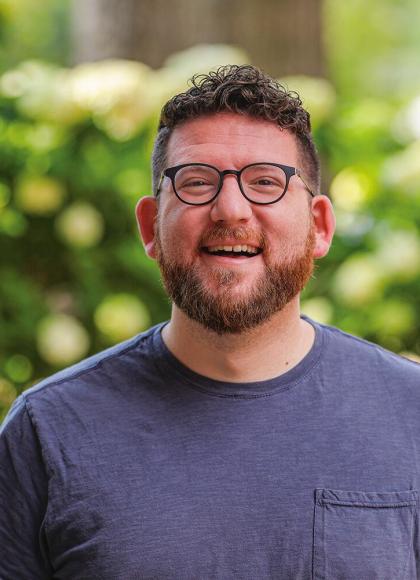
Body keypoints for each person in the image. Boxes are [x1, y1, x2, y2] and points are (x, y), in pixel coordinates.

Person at [1, 64, 419, 580]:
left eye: (265, 182)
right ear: (151, 227)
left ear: (319, 227)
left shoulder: (411, 414)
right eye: (197, 182)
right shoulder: (47, 431)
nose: (231, 209)